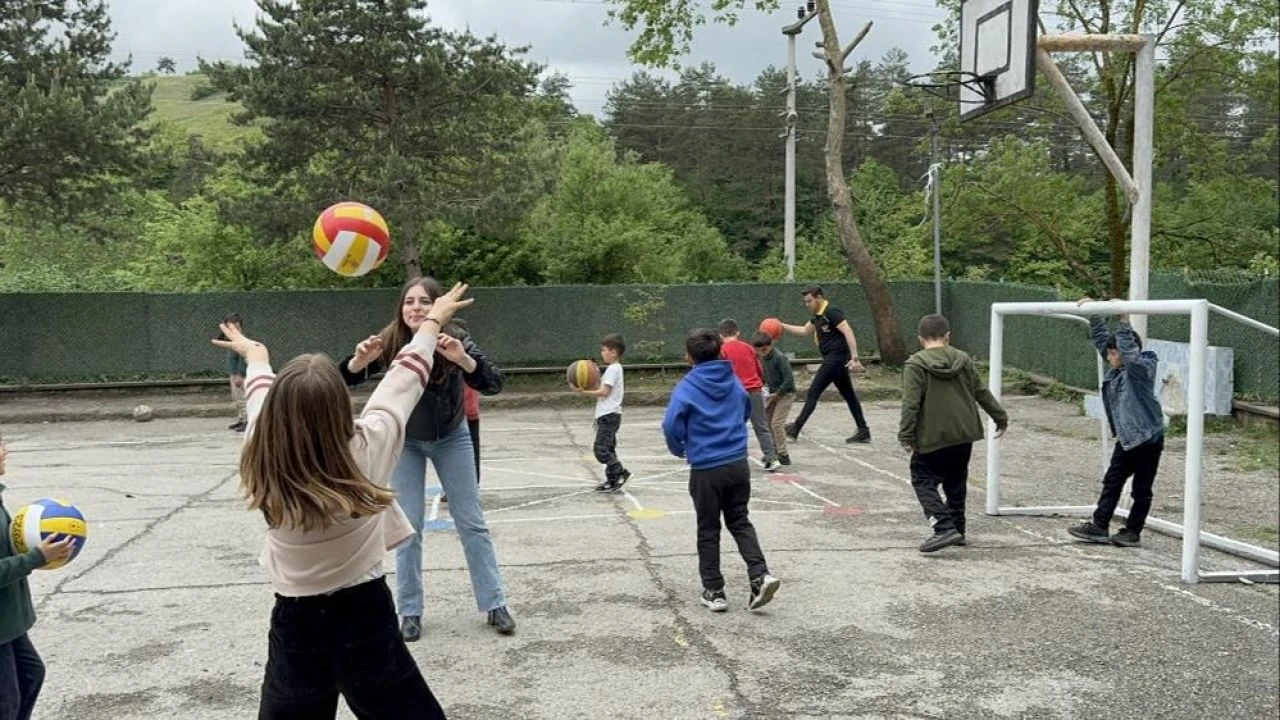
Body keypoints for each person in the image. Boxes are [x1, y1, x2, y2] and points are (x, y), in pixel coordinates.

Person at [212, 284, 472, 720]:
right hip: (364, 613)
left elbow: (259, 389)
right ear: (339, 406)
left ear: (276, 411)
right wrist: (433, 319)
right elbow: (405, 377)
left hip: (295, 620)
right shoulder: (369, 446)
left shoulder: (261, 447)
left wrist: (254, 352)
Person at [341, 278, 514, 642]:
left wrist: (463, 359)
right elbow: (343, 379)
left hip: (452, 436)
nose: (416, 308)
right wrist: (358, 362)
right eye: (409, 301)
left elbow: (494, 382)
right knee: (409, 526)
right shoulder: (390, 340)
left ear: (438, 307)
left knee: (472, 522)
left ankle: (495, 603)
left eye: (424, 301)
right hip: (407, 441)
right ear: (401, 308)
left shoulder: (457, 336)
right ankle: (410, 611)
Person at [662, 328, 781, 613]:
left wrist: (679, 448)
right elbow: (744, 408)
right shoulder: (733, 380)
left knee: (708, 528)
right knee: (740, 520)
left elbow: (671, 424)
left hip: (706, 467)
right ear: (720, 352)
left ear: (689, 357)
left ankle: (714, 590)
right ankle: (759, 574)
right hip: (737, 463)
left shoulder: (687, 387)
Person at [897, 314, 1008, 553]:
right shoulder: (963, 359)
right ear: (947, 336)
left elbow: (911, 403)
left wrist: (905, 434)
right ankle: (958, 528)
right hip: (964, 431)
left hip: (933, 433)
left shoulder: (915, 365)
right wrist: (1000, 417)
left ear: (920, 338)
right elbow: (980, 391)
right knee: (956, 479)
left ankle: (942, 526)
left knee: (922, 478)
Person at [1067, 299, 1165, 547]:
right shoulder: (1116, 368)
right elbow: (1102, 341)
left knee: (1141, 488)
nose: (1109, 357)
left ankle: (1133, 531)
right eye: (1109, 354)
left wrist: (1123, 320)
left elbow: (1130, 356)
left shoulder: (1142, 369)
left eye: (1114, 353)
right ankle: (1100, 525)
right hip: (1127, 439)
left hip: (1147, 438)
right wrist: (1094, 312)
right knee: (1112, 480)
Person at [1, 433, 78, 720]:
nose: (5, 450)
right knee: (6, 704)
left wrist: (37, 543)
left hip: (9, 622)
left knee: (31, 675)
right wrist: (37, 556)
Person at [780, 285, 872, 444]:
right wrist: (782, 325)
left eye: (809, 301)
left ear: (819, 298)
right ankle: (863, 431)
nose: (807, 304)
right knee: (849, 395)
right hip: (834, 359)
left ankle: (795, 429)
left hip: (836, 359)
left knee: (813, 392)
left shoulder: (831, 312)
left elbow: (848, 331)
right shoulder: (818, 316)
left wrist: (855, 358)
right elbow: (804, 331)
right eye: (805, 301)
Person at [571, 334, 631, 493]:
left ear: (614, 352)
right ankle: (612, 480)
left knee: (601, 450)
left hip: (609, 416)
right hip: (610, 415)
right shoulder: (614, 369)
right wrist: (593, 371)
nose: (602, 353)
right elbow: (600, 387)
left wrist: (583, 392)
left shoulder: (613, 369)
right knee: (609, 448)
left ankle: (620, 472)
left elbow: (604, 392)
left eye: (604, 350)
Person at [718, 320, 780, 472]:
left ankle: (735, 459)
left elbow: (721, 373)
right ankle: (772, 458)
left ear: (721, 335)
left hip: (735, 392)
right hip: (754, 390)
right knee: (761, 425)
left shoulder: (721, 351)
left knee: (734, 426)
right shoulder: (749, 348)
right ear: (738, 332)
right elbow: (759, 371)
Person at [752, 332, 796, 466]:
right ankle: (773, 452)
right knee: (767, 422)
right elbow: (762, 376)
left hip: (786, 394)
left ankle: (783, 454)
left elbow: (789, 379)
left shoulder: (780, 358)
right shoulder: (761, 358)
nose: (762, 353)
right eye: (759, 350)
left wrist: (777, 394)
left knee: (777, 424)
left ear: (771, 345)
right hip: (771, 394)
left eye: (764, 349)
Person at [222, 313, 248, 432]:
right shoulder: (232, 339)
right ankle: (241, 419)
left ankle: (247, 420)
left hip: (239, 374)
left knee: (242, 398)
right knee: (237, 398)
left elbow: (243, 358)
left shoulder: (241, 340)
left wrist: (240, 374)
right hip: (234, 373)